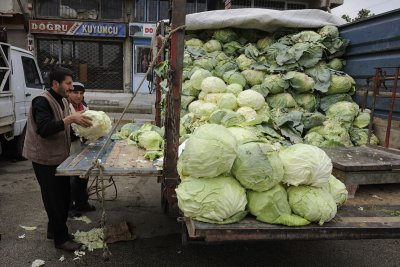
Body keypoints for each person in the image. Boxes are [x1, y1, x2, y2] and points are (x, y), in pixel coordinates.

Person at [23, 67, 92, 252]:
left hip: (59, 157)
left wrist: (86, 133)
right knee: (54, 199)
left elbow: (64, 128)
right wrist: (71, 119)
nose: (71, 87)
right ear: (55, 84)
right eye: (68, 84)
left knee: (63, 196)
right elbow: (44, 129)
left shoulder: (61, 100)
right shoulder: (41, 101)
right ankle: (61, 240)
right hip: (44, 159)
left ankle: (54, 230)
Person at [68, 82, 96, 215]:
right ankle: (70, 207)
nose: (79, 96)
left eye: (81, 93)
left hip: (83, 145)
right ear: (69, 93)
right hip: (70, 146)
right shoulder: (66, 107)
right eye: (75, 93)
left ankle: (82, 203)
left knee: (83, 175)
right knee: (71, 177)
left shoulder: (84, 106)